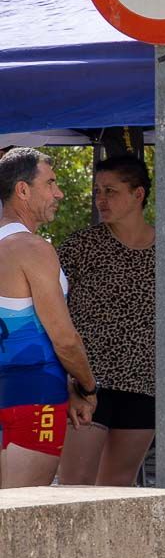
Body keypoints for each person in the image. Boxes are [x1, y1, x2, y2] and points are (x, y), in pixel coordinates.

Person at [56, 154, 165, 486]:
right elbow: (53, 313)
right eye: (98, 191)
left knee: (118, 491)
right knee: (75, 487)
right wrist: (69, 382)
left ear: (138, 194)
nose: (101, 200)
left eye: (111, 191)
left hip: (143, 385)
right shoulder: (79, 246)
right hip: (87, 383)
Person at [0, 148, 97, 488]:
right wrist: (86, 386)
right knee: (21, 521)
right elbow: (64, 339)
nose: (59, 193)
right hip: (33, 392)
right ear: (22, 190)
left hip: (13, 387)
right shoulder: (32, 248)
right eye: (51, 183)